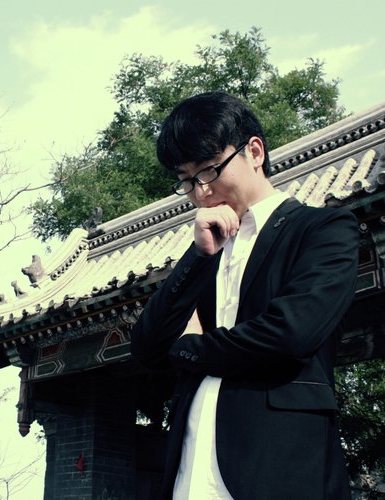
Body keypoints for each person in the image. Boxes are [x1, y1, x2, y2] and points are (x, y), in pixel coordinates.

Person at [130, 91, 358, 500]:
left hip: (276, 467)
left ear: (254, 151)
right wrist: (198, 256)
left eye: (208, 170)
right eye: (186, 180)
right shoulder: (206, 249)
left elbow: (289, 335)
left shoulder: (323, 230)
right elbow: (146, 347)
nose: (201, 192)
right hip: (189, 470)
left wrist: (187, 348)